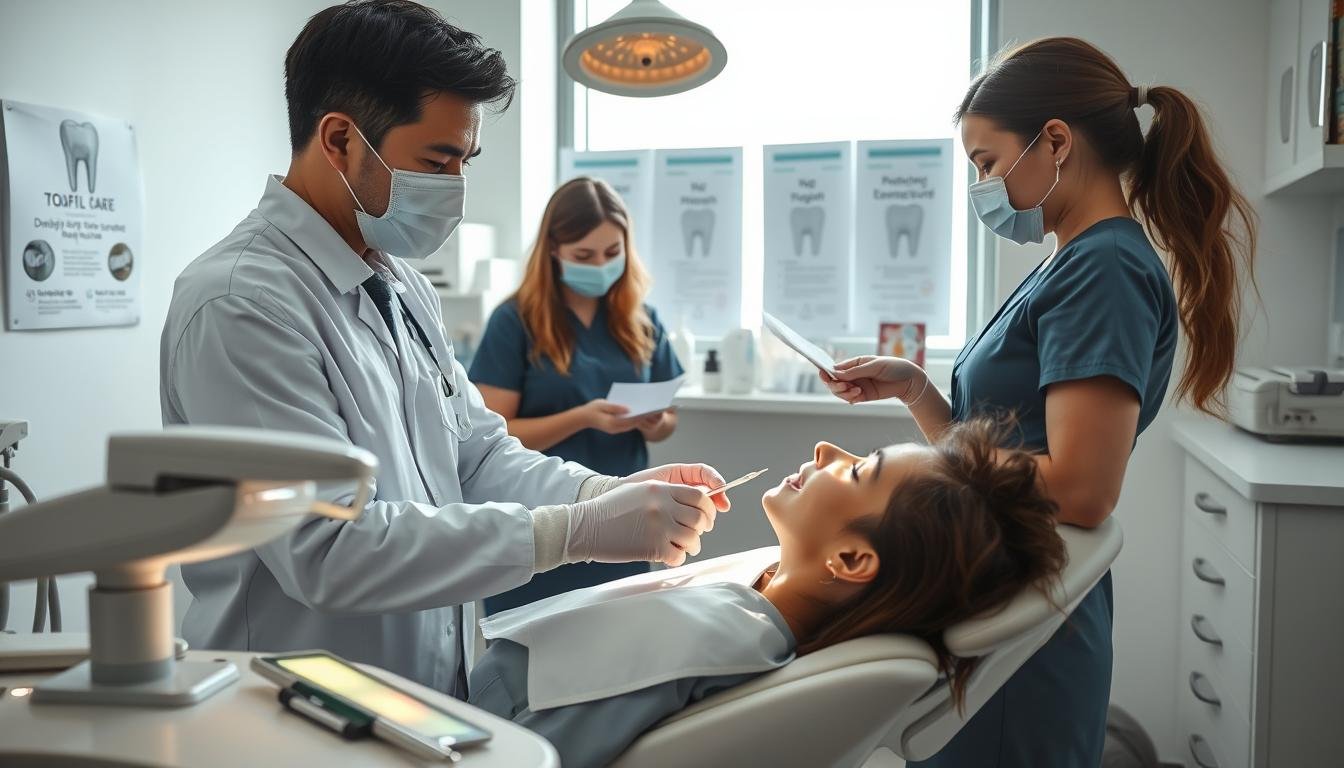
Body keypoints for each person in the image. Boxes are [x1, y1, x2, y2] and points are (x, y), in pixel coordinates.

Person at [158, 0, 729, 697]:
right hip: (293, 701)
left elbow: (478, 452)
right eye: (438, 160)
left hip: (418, 690)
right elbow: (329, 551)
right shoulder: (241, 303)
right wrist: (569, 533)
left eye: (464, 159)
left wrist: (603, 493)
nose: (456, 188)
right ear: (340, 140)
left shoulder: (396, 282)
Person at [822, 37, 1255, 767]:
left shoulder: (1105, 269)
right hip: (998, 595)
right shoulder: (1073, 259)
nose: (983, 186)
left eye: (987, 163)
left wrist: (906, 479)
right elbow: (1002, 451)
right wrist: (916, 389)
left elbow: (1081, 488)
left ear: (1055, 140)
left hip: (1024, 625)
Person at [467, 418, 1068, 768]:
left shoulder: (711, 638)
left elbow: (527, 750)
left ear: (852, 559)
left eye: (859, 470)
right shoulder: (761, 594)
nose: (828, 450)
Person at [470, 177, 682, 613]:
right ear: (553, 250)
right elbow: (490, 438)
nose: (600, 266)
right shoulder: (514, 322)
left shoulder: (641, 320)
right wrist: (583, 417)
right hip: (543, 527)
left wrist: (656, 421)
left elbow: (669, 419)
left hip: (625, 518)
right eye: (584, 256)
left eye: (612, 254)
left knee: (621, 650)